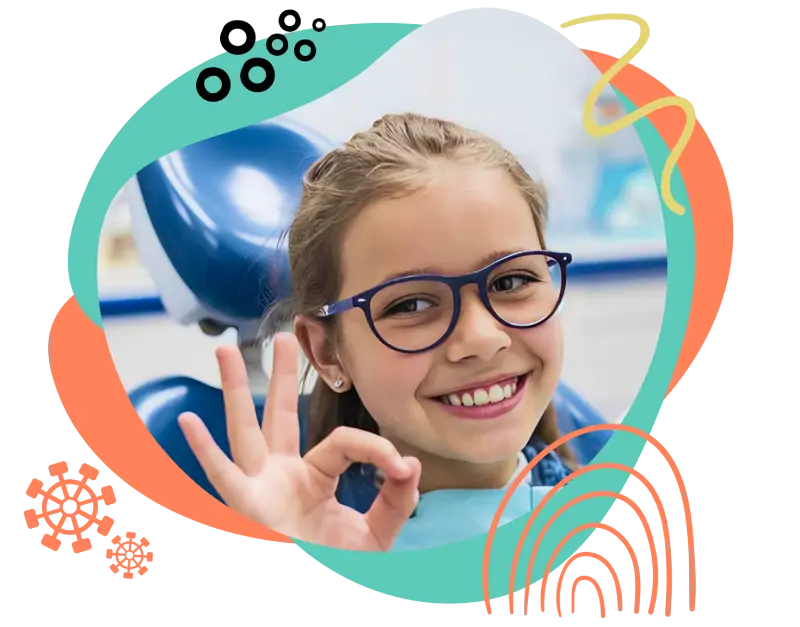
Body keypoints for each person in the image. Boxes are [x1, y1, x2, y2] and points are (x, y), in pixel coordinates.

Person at [178, 113, 578, 552]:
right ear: (327, 352)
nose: (482, 339)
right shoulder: (333, 542)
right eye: (411, 305)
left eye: (513, 281)